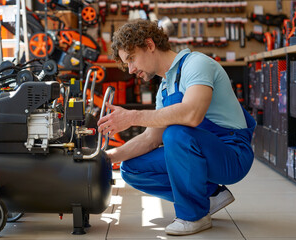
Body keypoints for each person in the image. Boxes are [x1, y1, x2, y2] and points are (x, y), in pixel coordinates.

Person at [97, 19, 256, 236]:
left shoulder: (196, 64)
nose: (132, 69)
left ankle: (194, 215)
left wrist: (133, 116)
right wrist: (104, 158)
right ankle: (210, 196)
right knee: (131, 168)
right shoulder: (165, 88)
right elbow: (150, 140)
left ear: (150, 45)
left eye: (132, 59)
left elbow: (192, 114)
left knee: (176, 133)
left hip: (231, 153)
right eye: (127, 64)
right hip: (199, 149)